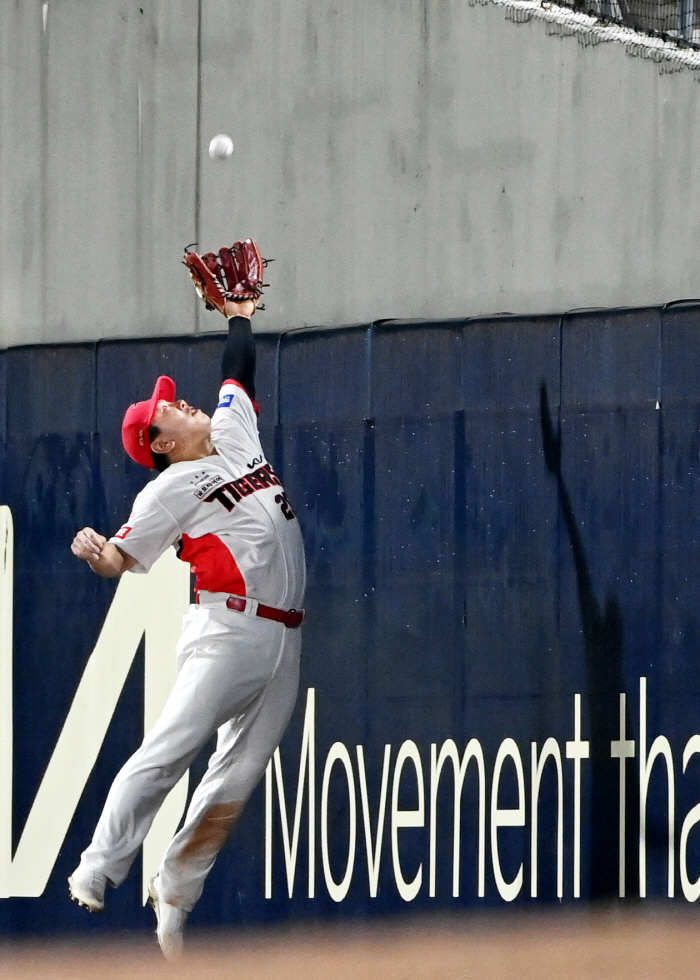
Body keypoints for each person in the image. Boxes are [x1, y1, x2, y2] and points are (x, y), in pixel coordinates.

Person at [68, 295, 305, 960]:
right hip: (225, 633)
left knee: (238, 774)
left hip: (284, 640)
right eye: (168, 408)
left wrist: (240, 315)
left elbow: (239, 372)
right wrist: (98, 555)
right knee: (171, 749)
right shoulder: (169, 488)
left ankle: (175, 892)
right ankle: (98, 863)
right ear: (161, 443)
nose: (183, 401)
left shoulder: (233, 434)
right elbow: (120, 559)